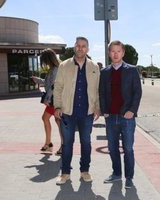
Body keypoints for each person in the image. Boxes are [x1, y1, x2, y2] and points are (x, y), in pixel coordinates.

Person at [53, 37, 100, 185]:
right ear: (74, 47)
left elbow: (97, 90)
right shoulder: (64, 65)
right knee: (67, 143)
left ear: (88, 48)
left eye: (83, 46)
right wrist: (57, 106)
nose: (80, 48)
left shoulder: (94, 67)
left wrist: (97, 107)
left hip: (87, 113)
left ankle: (84, 171)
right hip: (67, 112)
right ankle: (65, 173)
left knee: (86, 143)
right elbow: (58, 87)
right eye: (78, 46)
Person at [99, 40, 142, 189]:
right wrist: (104, 110)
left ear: (123, 53)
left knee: (128, 148)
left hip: (127, 117)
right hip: (110, 117)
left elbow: (137, 93)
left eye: (118, 51)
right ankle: (117, 174)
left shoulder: (132, 70)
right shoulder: (104, 72)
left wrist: (132, 111)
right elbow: (102, 93)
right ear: (109, 53)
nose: (115, 54)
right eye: (112, 51)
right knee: (112, 147)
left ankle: (129, 177)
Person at [31, 48, 63, 154]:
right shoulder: (54, 68)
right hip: (53, 99)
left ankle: (61, 145)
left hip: (56, 99)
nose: (44, 63)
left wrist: (47, 99)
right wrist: (39, 80)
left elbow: (54, 86)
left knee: (58, 122)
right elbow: (48, 82)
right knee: (49, 119)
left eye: (44, 60)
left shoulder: (56, 69)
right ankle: (49, 144)